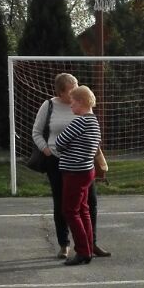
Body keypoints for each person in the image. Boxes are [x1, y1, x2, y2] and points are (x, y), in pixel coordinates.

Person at [31, 73, 107, 259]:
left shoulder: (83, 110)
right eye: (72, 89)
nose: (76, 91)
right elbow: (37, 132)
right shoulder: (49, 105)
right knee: (62, 203)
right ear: (61, 92)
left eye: (77, 86)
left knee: (88, 203)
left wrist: (88, 151)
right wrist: (47, 150)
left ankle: (89, 244)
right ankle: (64, 244)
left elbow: (84, 137)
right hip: (57, 161)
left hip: (81, 164)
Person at [52, 86, 101, 266]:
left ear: (81, 102)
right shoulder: (94, 121)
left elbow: (59, 142)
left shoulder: (79, 122)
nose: (71, 105)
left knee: (70, 211)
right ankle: (88, 246)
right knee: (83, 210)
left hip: (74, 171)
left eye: (72, 102)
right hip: (87, 170)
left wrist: (68, 147)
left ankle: (82, 251)